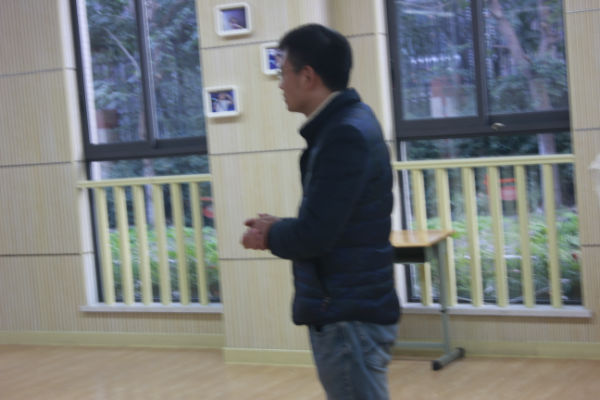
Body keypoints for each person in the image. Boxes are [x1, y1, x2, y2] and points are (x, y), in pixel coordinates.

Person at [241, 23, 400, 400]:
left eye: (283, 73)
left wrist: (269, 234)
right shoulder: (351, 121)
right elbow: (332, 222)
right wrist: (280, 226)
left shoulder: (343, 135)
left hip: (346, 313)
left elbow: (316, 235)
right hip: (353, 304)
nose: (280, 84)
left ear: (307, 76)